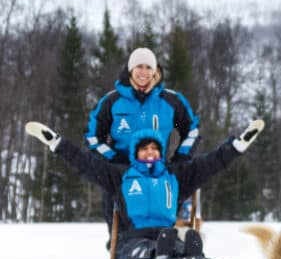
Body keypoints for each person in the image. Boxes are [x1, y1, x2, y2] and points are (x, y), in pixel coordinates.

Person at [26, 118, 264, 259]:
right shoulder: (121, 176)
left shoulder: (175, 176)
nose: (150, 152)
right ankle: (159, 257)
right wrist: (56, 142)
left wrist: (237, 145)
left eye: (154, 149)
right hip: (132, 239)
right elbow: (84, 163)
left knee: (177, 245)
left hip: (166, 235)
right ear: (136, 153)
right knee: (147, 249)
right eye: (144, 148)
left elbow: (212, 163)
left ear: (160, 153)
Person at [85, 47, 201, 231]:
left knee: (175, 192)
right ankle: (120, 247)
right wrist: (113, 159)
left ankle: (168, 242)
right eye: (139, 66)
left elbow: (192, 130)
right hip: (123, 169)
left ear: (155, 71)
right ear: (130, 69)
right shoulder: (112, 101)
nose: (144, 72)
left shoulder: (171, 100)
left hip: (160, 167)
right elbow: (92, 137)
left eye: (149, 67)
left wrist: (182, 156)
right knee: (113, 197)